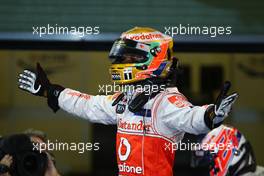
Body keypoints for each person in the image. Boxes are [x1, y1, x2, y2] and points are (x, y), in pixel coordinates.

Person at [18, 27, 238, 176]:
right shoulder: (126, 98)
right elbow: (89, 105)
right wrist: (51, 92)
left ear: (153, 58)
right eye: (122, 58)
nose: (122, 62)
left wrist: (211, 115)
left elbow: (191, 118)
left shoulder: (166, 100)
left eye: (130, 58)